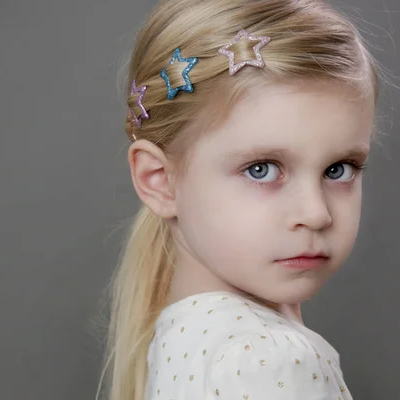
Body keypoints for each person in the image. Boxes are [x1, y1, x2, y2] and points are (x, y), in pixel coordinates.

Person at [98, 0, 382, 399]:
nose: (316, 214)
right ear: (159, 180)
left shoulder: (185, 339)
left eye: (339, 169)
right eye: (261, 169)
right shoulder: (267, 360)